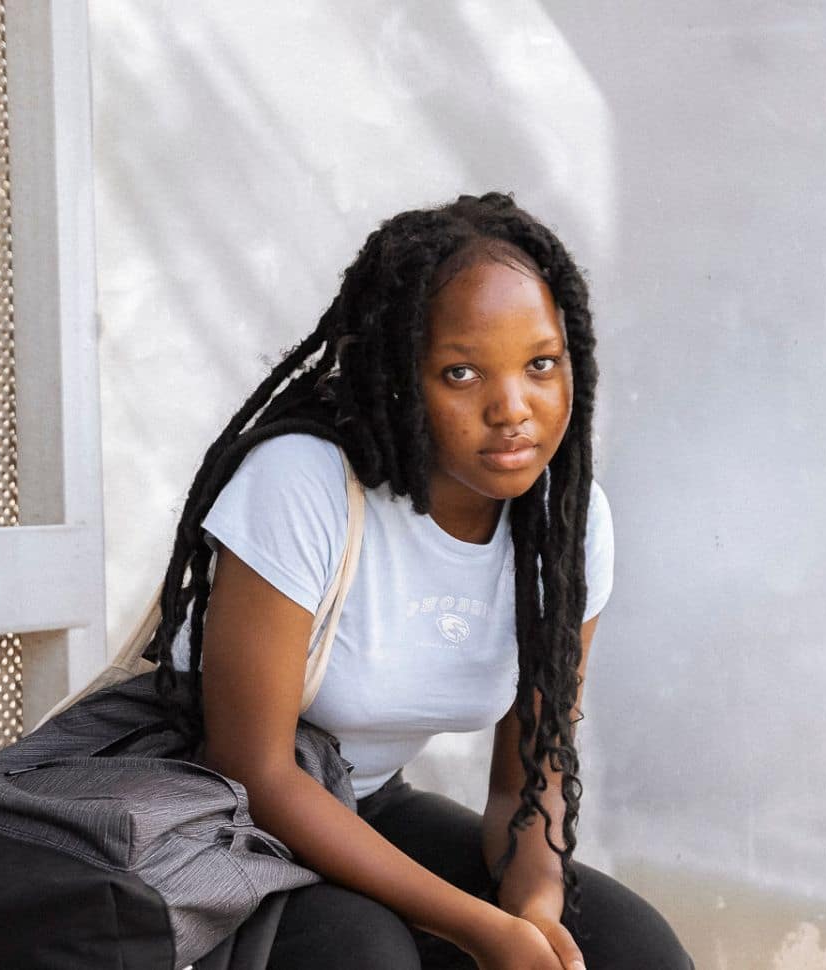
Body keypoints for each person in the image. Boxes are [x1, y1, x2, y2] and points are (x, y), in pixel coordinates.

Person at [143, 192, 693, 970]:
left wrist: (533, 906)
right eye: (462, 373)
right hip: (211, 811)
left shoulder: (565, 523)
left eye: (541, 364)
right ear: (398, 376)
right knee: (366, 957)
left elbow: (527, 783)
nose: (512, 409)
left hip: (365, 803)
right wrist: (479, 928)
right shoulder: (303, 482)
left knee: (634, 950)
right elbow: (253, 768)